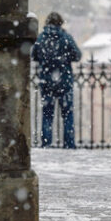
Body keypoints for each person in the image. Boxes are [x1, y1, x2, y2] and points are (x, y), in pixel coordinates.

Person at [32, 12, 82, 149]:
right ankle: (69, 144)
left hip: (46, 81)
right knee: (67, 114)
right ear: (60, 23)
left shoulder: (41, 38)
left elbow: (33, 55)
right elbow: (77, 55)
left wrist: (46, 61)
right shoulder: (66, 38)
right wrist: (65, 59)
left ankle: (46, 143)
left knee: (47, 114)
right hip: (64, 81)